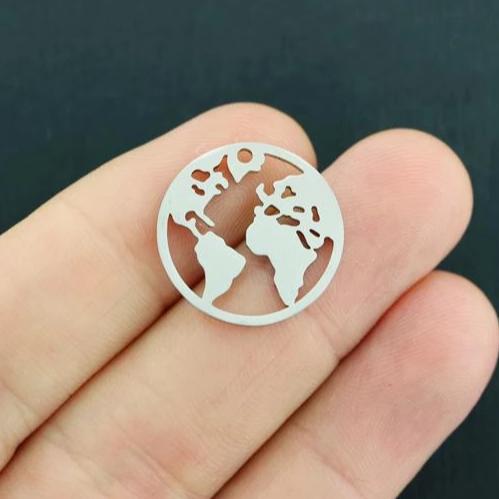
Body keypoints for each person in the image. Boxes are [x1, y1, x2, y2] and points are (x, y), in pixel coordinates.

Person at [0, 102, 497, 498]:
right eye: (267, 202)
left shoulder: (291, 273)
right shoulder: (238, 261)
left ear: (299, 232)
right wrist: (217, 284)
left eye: (276, 208)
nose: (260, 207)